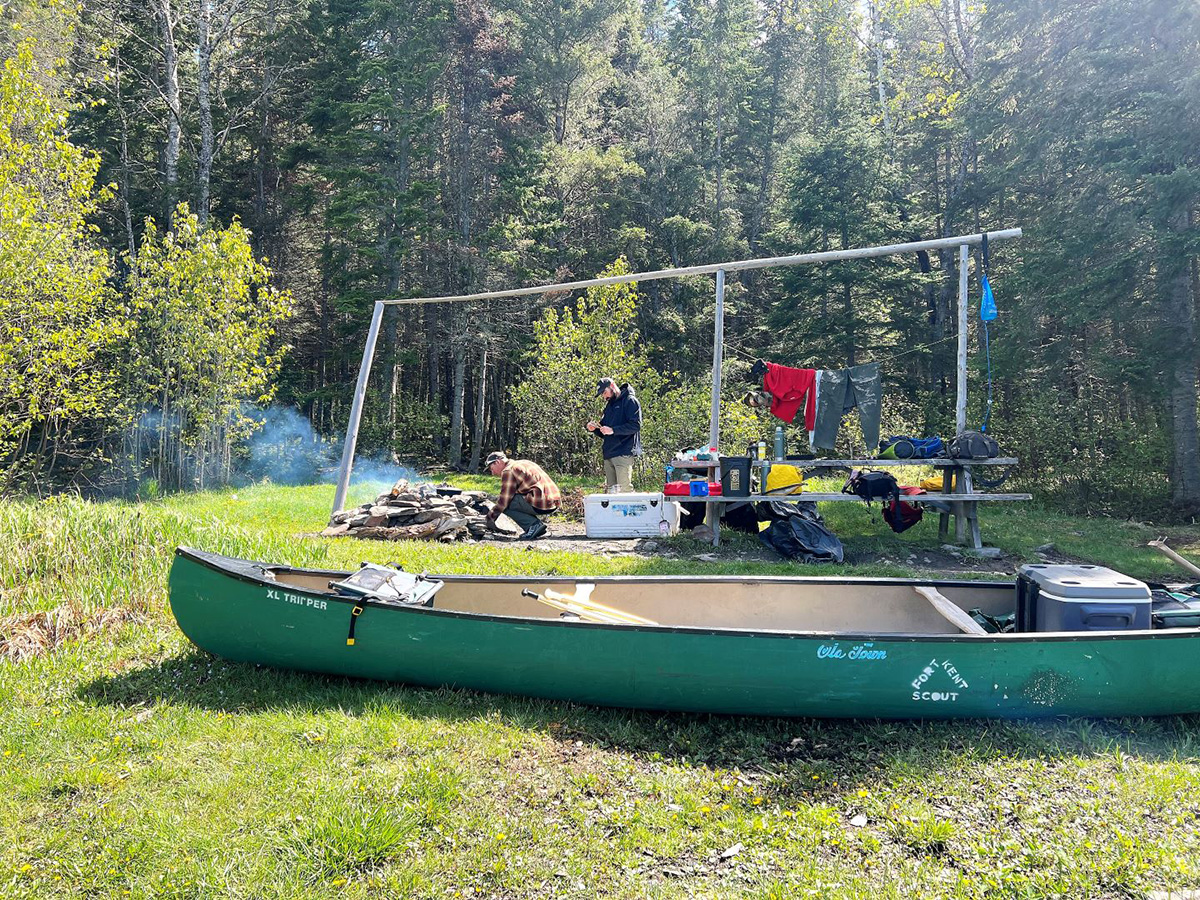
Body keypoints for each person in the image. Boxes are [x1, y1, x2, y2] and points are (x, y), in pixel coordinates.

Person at [484, 451, 561, 540]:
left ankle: (533, 525)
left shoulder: (508, 470)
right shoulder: (525, 462)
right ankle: (537, 527)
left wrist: (489, 519)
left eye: (491, 468)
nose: (492, 473)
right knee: (513, 498)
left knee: (507, 504)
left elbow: (504, 501)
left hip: (542, 502)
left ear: (497, 462)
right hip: (554, 500)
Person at [586, 377, 642, 492]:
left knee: (624, 490)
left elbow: (635, 426)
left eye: (604, 392)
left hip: (623, 452)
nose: (604, 396)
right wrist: (594, 429)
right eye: (602, 394)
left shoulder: (630, 400)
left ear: (612, 386)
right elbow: (605, 430)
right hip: (609, 453)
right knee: (611, 493)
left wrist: (613, 430)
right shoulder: (609, 406)